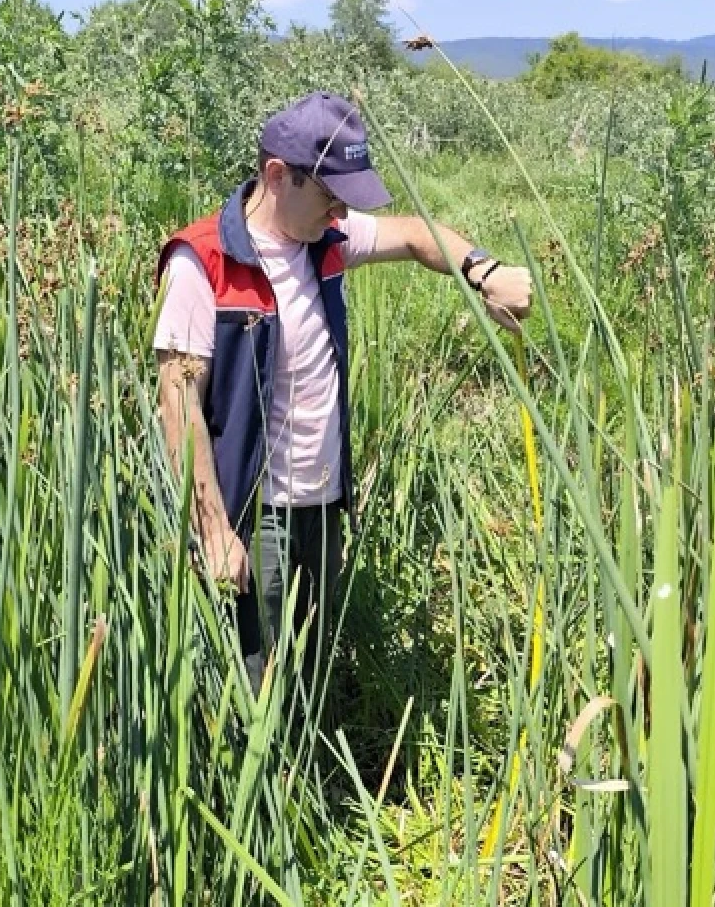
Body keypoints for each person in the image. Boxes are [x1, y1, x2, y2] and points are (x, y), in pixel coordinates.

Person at [153, 91, 531, 716]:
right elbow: (179, 403)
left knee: (311, 664)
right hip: (255, 510)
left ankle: (309, 781)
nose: (338, 211)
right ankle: (262, 804)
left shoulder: (324, 237)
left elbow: (415, 236)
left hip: (322, 504)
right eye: (330, 194)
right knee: (257, 684)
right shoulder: (205, 264)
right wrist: (213, 530)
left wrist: (481, 271)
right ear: (278, 175)